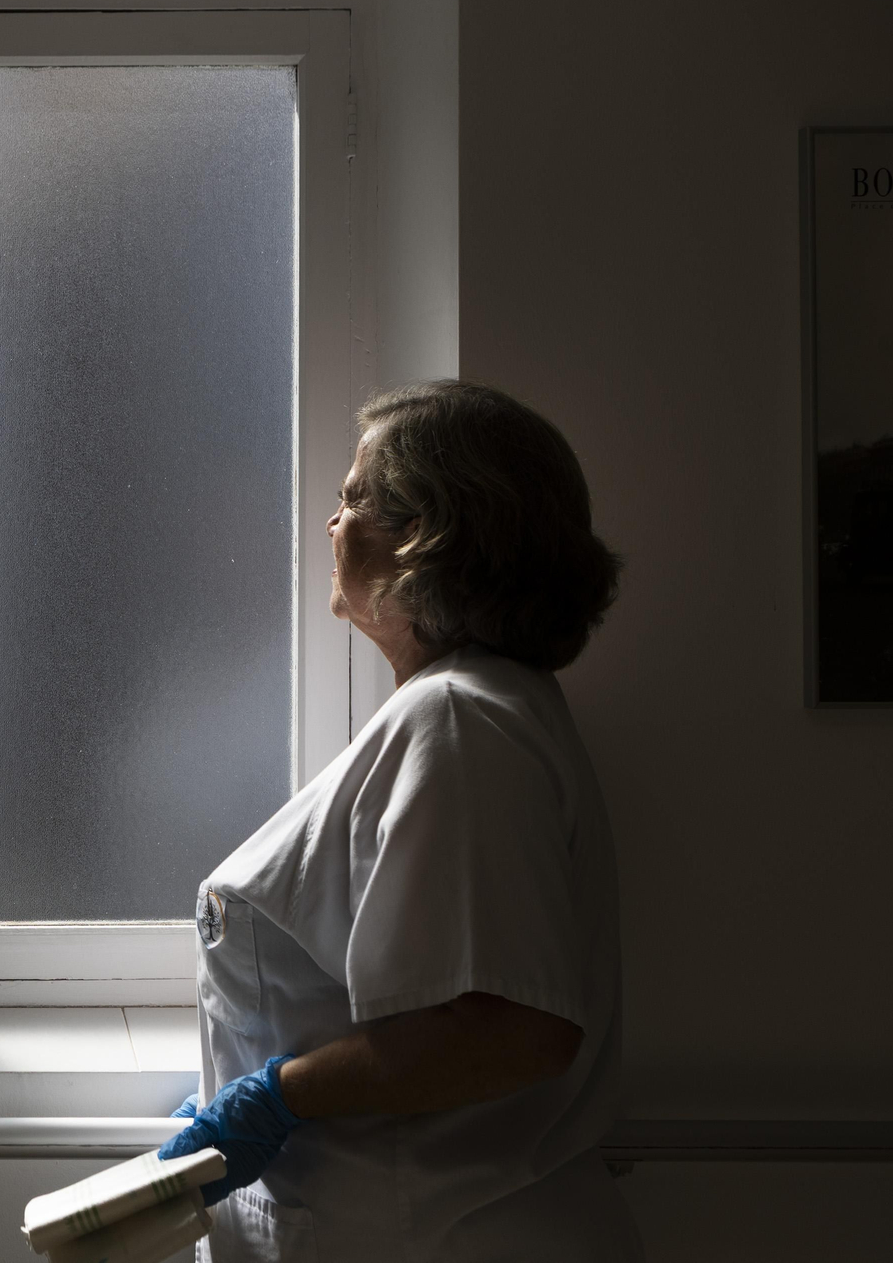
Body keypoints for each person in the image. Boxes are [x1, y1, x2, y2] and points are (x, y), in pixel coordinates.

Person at [160, 381, 643, 1261]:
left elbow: (513, 1030)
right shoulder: (471, 710)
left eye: (354, 500)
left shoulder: (463, 721)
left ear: (430, 539)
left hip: (441, 1233)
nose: (334, 523)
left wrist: (275, 1096)